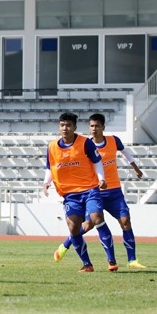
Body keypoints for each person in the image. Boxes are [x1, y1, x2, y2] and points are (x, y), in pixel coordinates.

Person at [54, 113, 147, 269]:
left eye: (97, 126)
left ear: (103, 127)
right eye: (91, 126)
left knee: (126, 221)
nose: (94, 129)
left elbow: (125, 152)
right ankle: (65, 245)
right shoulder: (85, 145)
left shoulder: (113, 141)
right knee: (87, 225)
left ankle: (132, 260)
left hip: (114, 191)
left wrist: (135, 168)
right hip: (94, 192)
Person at [43, 112, 117, 272]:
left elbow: (97, 162)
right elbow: (50, 167)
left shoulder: (85, 143)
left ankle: (111, 260)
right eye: (62, 125)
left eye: (68, 125)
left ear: (75, 127)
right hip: (69, 194)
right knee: (73, 227)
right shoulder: (52, 147)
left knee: (97, 218)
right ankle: (87, 264)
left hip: (89, 189)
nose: (65, 128)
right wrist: (46, 182)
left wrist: (101, 179)